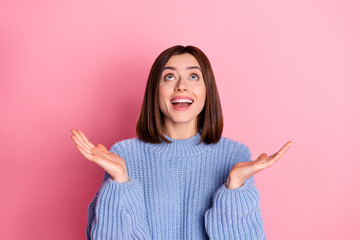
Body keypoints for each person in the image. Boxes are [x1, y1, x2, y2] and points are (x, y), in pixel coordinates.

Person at [70, 45, 293, 240]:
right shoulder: (123, 156)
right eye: (169, 77)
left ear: (208, 91)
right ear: (154, 92)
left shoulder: (235, 155)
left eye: (193, 76)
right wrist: (120, 182)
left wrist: (234, 187)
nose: (181, 86)